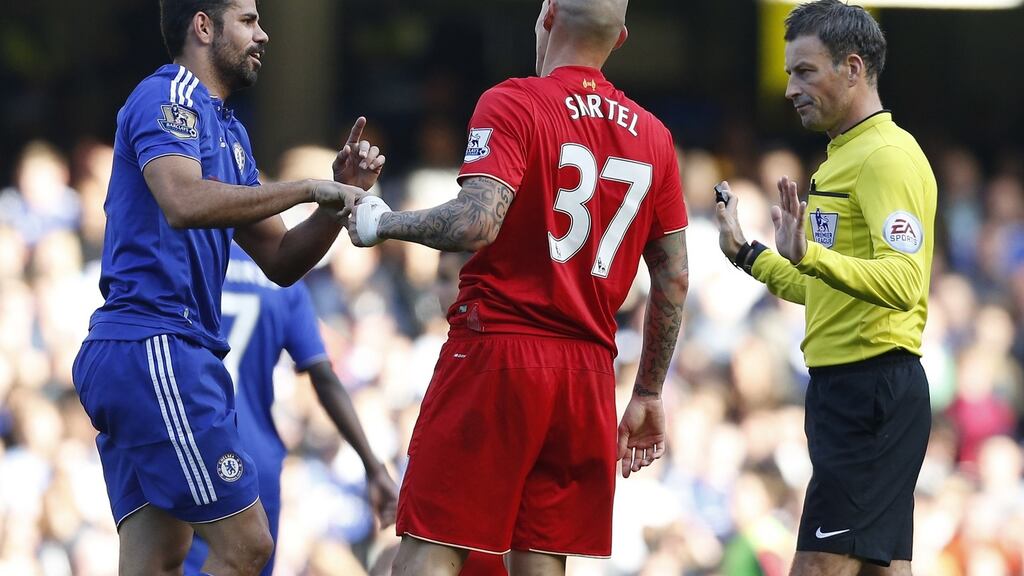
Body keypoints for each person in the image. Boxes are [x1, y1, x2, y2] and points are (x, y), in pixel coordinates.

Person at [348, 1, 690, 574]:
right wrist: (649, 392)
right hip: (588, 371)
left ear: (548, 13)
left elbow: (476, 222)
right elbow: (675, 277)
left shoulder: (513, 102)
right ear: (622, 38)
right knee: (541, 560)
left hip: (500, 351)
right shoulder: (655, 137)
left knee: (433, 544)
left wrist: (381, 222)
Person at [70, 1, 382, 574]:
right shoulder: (167, 97)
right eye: (248, 19)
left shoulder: (228, 132)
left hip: (146, 353)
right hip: (157, 346)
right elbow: (183, 202)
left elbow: (283, 260)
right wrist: (310, 188)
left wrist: (339, 199)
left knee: (160, 556)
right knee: (249, 545)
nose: (263, 34)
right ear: (204, 26)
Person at [714, 1, 936, 574]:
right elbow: (820, 288)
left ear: (854, 68)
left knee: (816, 565)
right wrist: (747, 253)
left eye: (805, 71)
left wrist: (811, 254)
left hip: (871, 389)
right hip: (847, 390)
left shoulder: (886, 158)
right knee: (880, 568)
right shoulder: (841, 159)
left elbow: (905, 281)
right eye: (790, 72)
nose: (790, 88)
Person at [182, 243, 399, 575]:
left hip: (187, 444)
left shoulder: (192, 258)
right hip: (256, 456)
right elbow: (323, 377)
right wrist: (372, 465)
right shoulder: (281, 276)